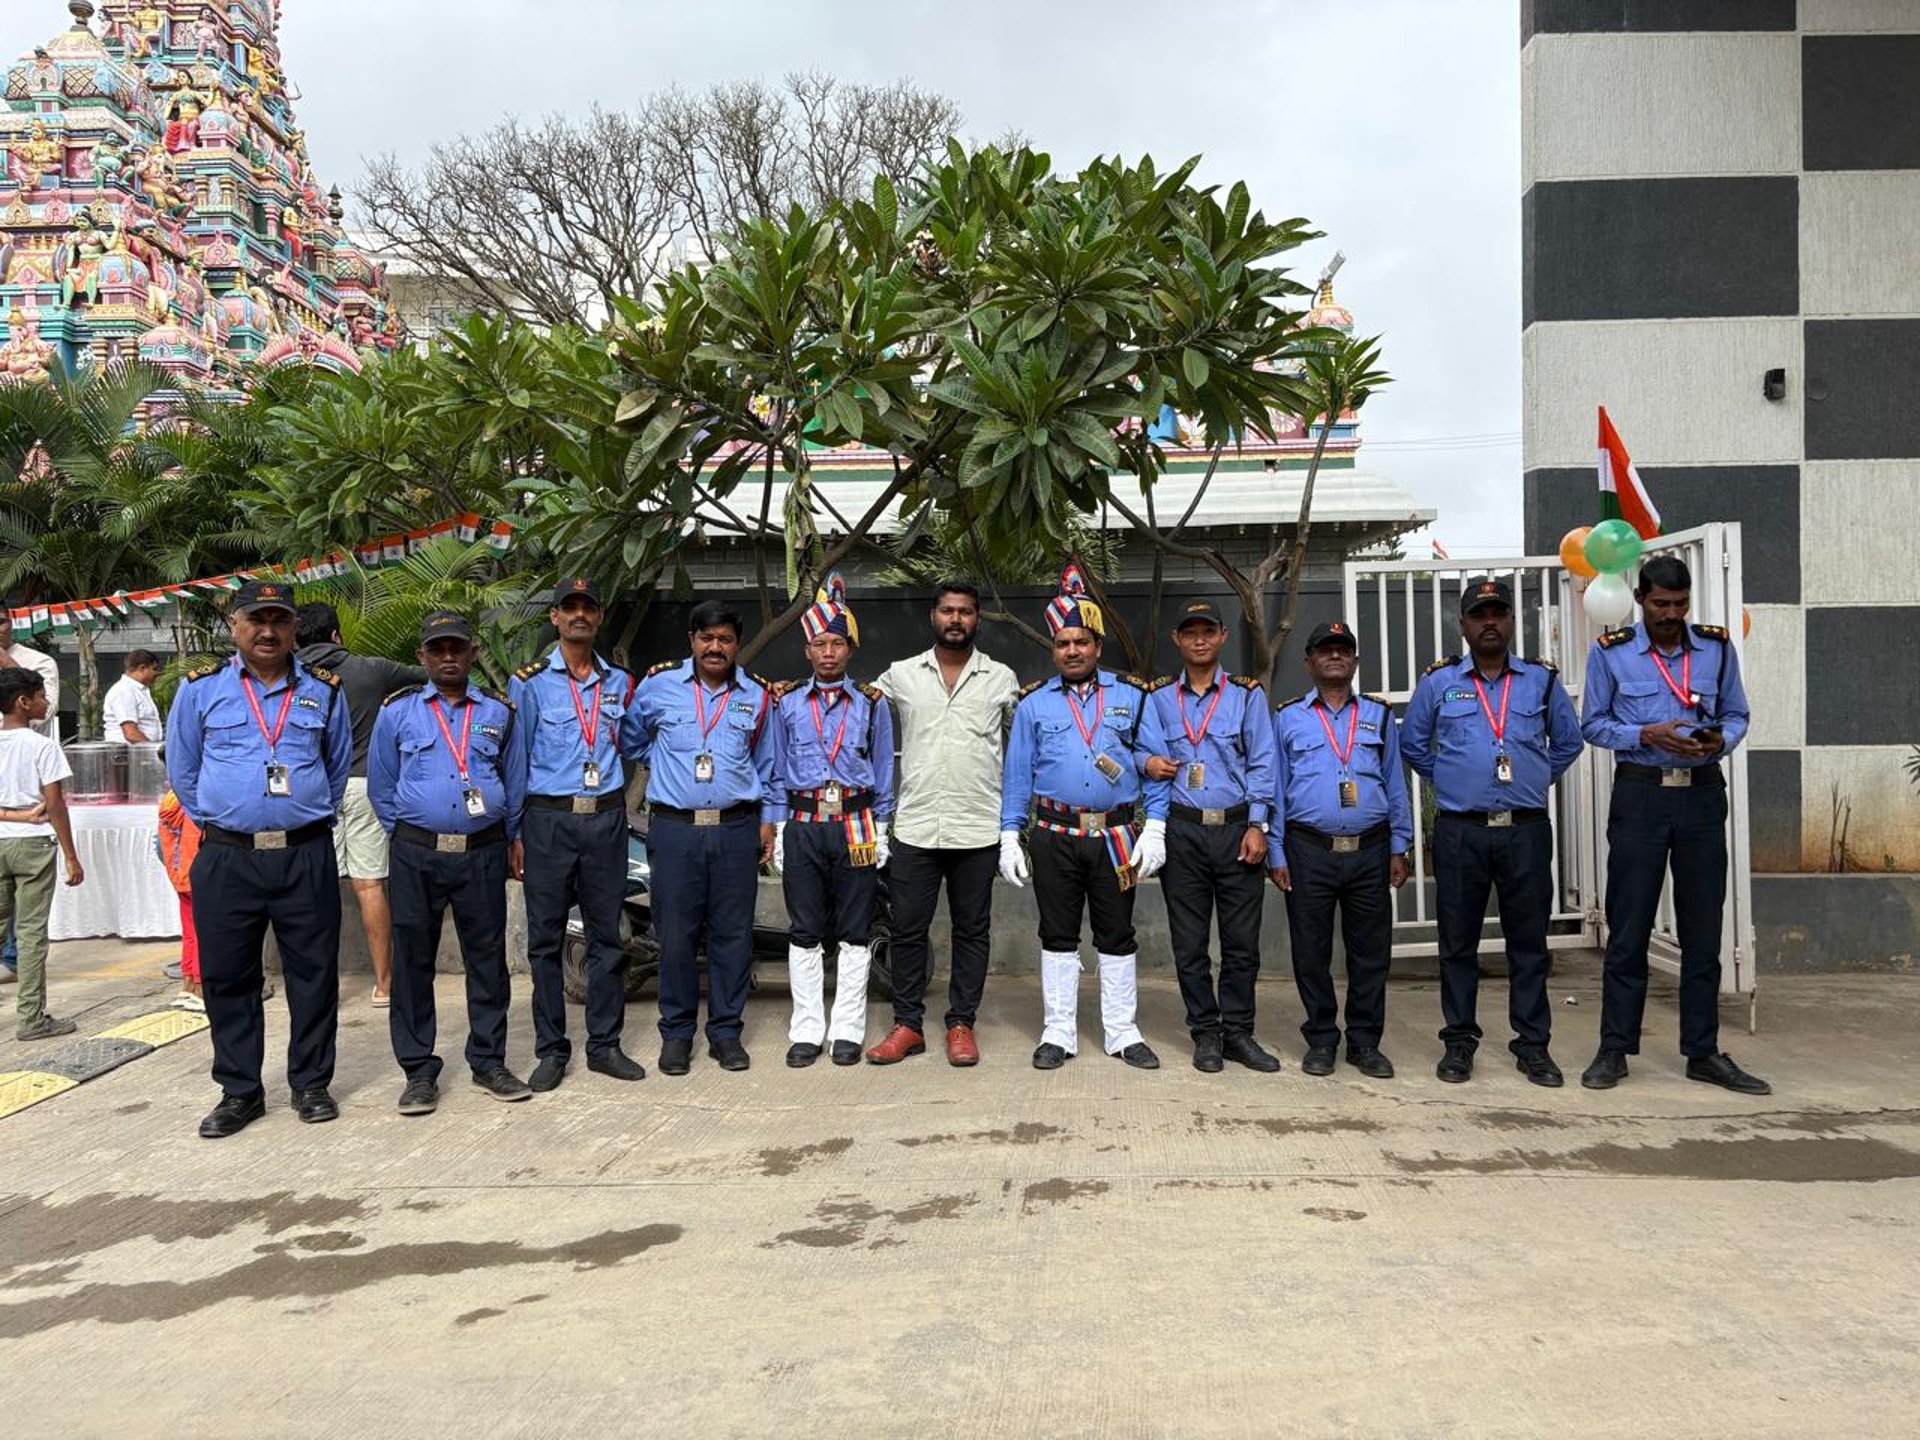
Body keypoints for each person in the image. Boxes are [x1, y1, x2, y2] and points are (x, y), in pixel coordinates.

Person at [166, 580, 352, 1138]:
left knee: (314, 974)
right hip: (228, 858)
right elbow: (184, 770)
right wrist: (230, 820)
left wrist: (299, 814)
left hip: (305, 854)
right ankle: (240, 1091)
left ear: (294, 627)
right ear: (234, 624)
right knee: (228, 977)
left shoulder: (325, 691)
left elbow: (335, 766)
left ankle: (311, 1083)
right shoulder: (200, 691)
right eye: (256, 619)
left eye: (279, 619)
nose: (268, 630)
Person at [1578, 556, 1768, 1095]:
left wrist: (1719, 742)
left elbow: (1736, 715)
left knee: (1703, 931)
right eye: (1661, 604)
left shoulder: (1715, 646)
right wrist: (1646, 735)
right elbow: (1593, 723)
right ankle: (1614, 1049)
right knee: (1629, 928)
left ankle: (1702, 1051)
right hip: (1641, 796)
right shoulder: (1611, 653)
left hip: (1702, 796)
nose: (1671, 614)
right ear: (1640, 599)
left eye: (1680, 605)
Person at [1400, 578, 1584, 1087]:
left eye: (1498, 613)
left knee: (1528, 943)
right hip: (1462, 832)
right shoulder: (1439, 683)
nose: (1489, 623)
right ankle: (1459, 1042)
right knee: (1457, 943)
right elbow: (1413, 746)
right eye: (1479, 615)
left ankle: (1533, 1045)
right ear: (1463, 625)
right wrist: (1456, 778)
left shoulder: (1540, 682)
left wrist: (1533, 776)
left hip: (1525, 831)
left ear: (1511, 622)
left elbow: (1568, 743)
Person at [1001, 561, 1169, 1071]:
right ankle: (1059, 1033)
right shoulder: (1032, 706)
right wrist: (1011, 834)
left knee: (1116, 935)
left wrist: (1156, 827)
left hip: (1117, 836)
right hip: (1054, 835)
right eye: (1062, 643)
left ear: (1098, 646)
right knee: (1057, 934)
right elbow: (1017, 776)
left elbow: (1156, 766)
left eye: (1081, 641)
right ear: (1053, 649)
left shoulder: (1134, 698)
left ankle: (1122, 1032)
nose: (1071, 651)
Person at [368, 611, 532, 1114]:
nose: (447, 657)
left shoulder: (500, 713)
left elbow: (517, 777)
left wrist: (511, 836)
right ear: (422, 656)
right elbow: (381, 784)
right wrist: (415, 832)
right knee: (413, 962)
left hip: (483, 853)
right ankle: (418, 1070)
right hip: (417, 854)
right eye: (436, 649)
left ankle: (488, 1061)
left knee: (487, 962)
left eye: (456, 648)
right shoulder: (397, 712)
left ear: (472, 653)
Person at [622, 599, 777, 1076]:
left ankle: (726, 1033)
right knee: (675, 936)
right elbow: (630, 738)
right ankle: (677, 1034)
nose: (716, 647)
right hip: (675, 831)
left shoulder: (756, 693)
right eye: (706, 638)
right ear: (691, 641)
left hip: (735, 830)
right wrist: (667, 761)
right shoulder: (658, 685)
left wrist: (767, 820)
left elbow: (766, 762)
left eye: (725, 639)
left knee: (732, 937)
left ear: (736, 644)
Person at [868, 582, 1019, 1066]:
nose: (957, 619)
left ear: (978, 618)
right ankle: (908, 1025)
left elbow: (1024, 750)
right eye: (948, 611)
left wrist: (1016, 826)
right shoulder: (900, 676)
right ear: (933, 615)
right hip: (916, 827)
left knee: (972, 930)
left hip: (977, 829)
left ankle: (961, 1024)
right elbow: (855, 713)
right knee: (908, 930)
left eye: (967, 612)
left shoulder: (1002, 679)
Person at [508, 578, 645, 1090]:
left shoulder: (620, 683)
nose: (579, 616)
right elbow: (516, 760)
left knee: (607, 937)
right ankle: (551, 1050)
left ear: (599, 618)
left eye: (589, 608)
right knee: (545, 940)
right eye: (570, 608)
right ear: (556, 618)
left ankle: (604, 1046)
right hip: (547, 821)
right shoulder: (530, 682)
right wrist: (515, 831)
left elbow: (633, 742)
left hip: (606, 820)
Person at [1140, 600, 1281, 1073]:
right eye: (1189, 632)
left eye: (1208, 631)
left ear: (1222, 637)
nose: (1199, 639)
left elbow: (1264, 763)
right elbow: (1141, 748)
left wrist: (1259, 825)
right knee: (1190, 943)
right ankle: (1205, 1032)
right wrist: (1146, 763)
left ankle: (1239, 1033)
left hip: (1238, 831)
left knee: (1241, 944)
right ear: (1177, 641)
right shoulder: (1158, 698)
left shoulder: (1247, 696)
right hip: (1183, 832)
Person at [1269, 620, 1412, 1078]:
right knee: (1310, 951)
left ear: (1354, 661)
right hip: (1308, 848)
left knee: (1370, 952)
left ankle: (1365, 1043)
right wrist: (1276, 851)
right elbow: (1275, 788)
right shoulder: (1287, 717)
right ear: (1309, 662)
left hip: (1370, 849)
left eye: (1343, 650)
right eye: (1324, 650)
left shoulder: (1379, 715)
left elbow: (1395, 783)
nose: (1335, 656)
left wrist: (1400, 844)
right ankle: (1322, 1039)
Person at [766, 574, 896, 1068]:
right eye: (818, 644)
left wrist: (882, 826)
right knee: (804, 929)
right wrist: (779, 828)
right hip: (802, 822)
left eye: (836, 643)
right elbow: (776, 768)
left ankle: (846, 1029)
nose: (827, 653)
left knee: (855, 930)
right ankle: (806, 1030)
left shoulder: (871, 703)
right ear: (807, 651)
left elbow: (883, 767)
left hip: (857, 824)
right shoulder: (786, 703)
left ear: (850, 648)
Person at [295, 602, 427, 1009]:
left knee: (316, 890)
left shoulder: (288, 675)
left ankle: (318, 988)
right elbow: (431, 675)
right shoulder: (371, 669)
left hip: (313, 790)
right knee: (369, 886)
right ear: (337, 634)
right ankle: (384, 983)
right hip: (367, 783)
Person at [0, 667, 84, 1040]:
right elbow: (56, 806)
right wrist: (70, 854)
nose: (46, 702)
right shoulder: (42, 746)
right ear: (23, 702)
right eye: (41, 696)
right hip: (32, 844)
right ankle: (31, 1019)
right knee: (31, 932)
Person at [157, 779, 203, 1012]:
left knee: (189, 933)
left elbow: (159, 844)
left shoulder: (171, 800)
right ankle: (202, 988)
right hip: (199, 875)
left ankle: (188, 987)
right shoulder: (198, 801)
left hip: (179, 875)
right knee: (205, 934)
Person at [0, 611, 61, 741]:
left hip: (26, 753)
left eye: (0, 622)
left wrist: (7, 662)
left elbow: (45, 713)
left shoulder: (40, 662)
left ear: (12, 623)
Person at [102, 649, 164, 743]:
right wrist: (152, 751)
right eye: (154, 669)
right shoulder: (124, 690)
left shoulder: (137, 690)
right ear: (142, 668)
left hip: (139, 752)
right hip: (129, 754)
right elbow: (131, 734)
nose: (157, 673)